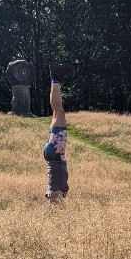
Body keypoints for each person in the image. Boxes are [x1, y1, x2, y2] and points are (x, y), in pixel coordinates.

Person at [44, 62, 74, 201]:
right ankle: (55, 78)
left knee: (58, 111)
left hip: (56, 151)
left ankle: (56, 78)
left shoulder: (54, 186)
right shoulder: (55, 187)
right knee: (57, 111)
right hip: (54, 152)